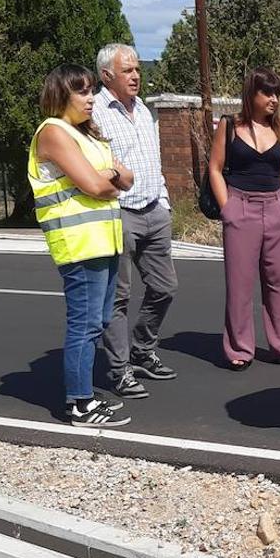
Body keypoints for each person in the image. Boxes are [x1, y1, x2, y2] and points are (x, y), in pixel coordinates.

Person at [28, 64, 133, 427]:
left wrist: (107, 176)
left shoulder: (85, 134)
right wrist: (106, 177)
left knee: (100, 320)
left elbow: (127, 179)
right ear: (61, 95)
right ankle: (79, 403)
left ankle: (84, 391)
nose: (91, 99)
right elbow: (96, 186)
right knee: (84, 323)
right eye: (82, 92)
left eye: (91, 91)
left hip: (104, 241)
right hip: (79, 243)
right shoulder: (53, 132)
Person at [93, 43, 178, 401]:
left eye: (137, 69)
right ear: (106, 75)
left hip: (153, 211)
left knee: (164, 287)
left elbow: (152, 158)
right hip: (119, 213)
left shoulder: (143, 109)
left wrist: (163, 201)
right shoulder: (94, 112)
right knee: (119, 297)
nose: (135, 75)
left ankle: (142, 349)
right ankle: (119, 368)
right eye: (127, 70)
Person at [207, 67, 280, 370]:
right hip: (241, 208)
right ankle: (239, 349)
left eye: (277, 93)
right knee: (240, 284)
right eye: (268, 92)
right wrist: (228, 208)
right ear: (252, 94)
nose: (274, 99)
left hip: (277, 209)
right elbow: (215, 168)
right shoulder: (230, 126)